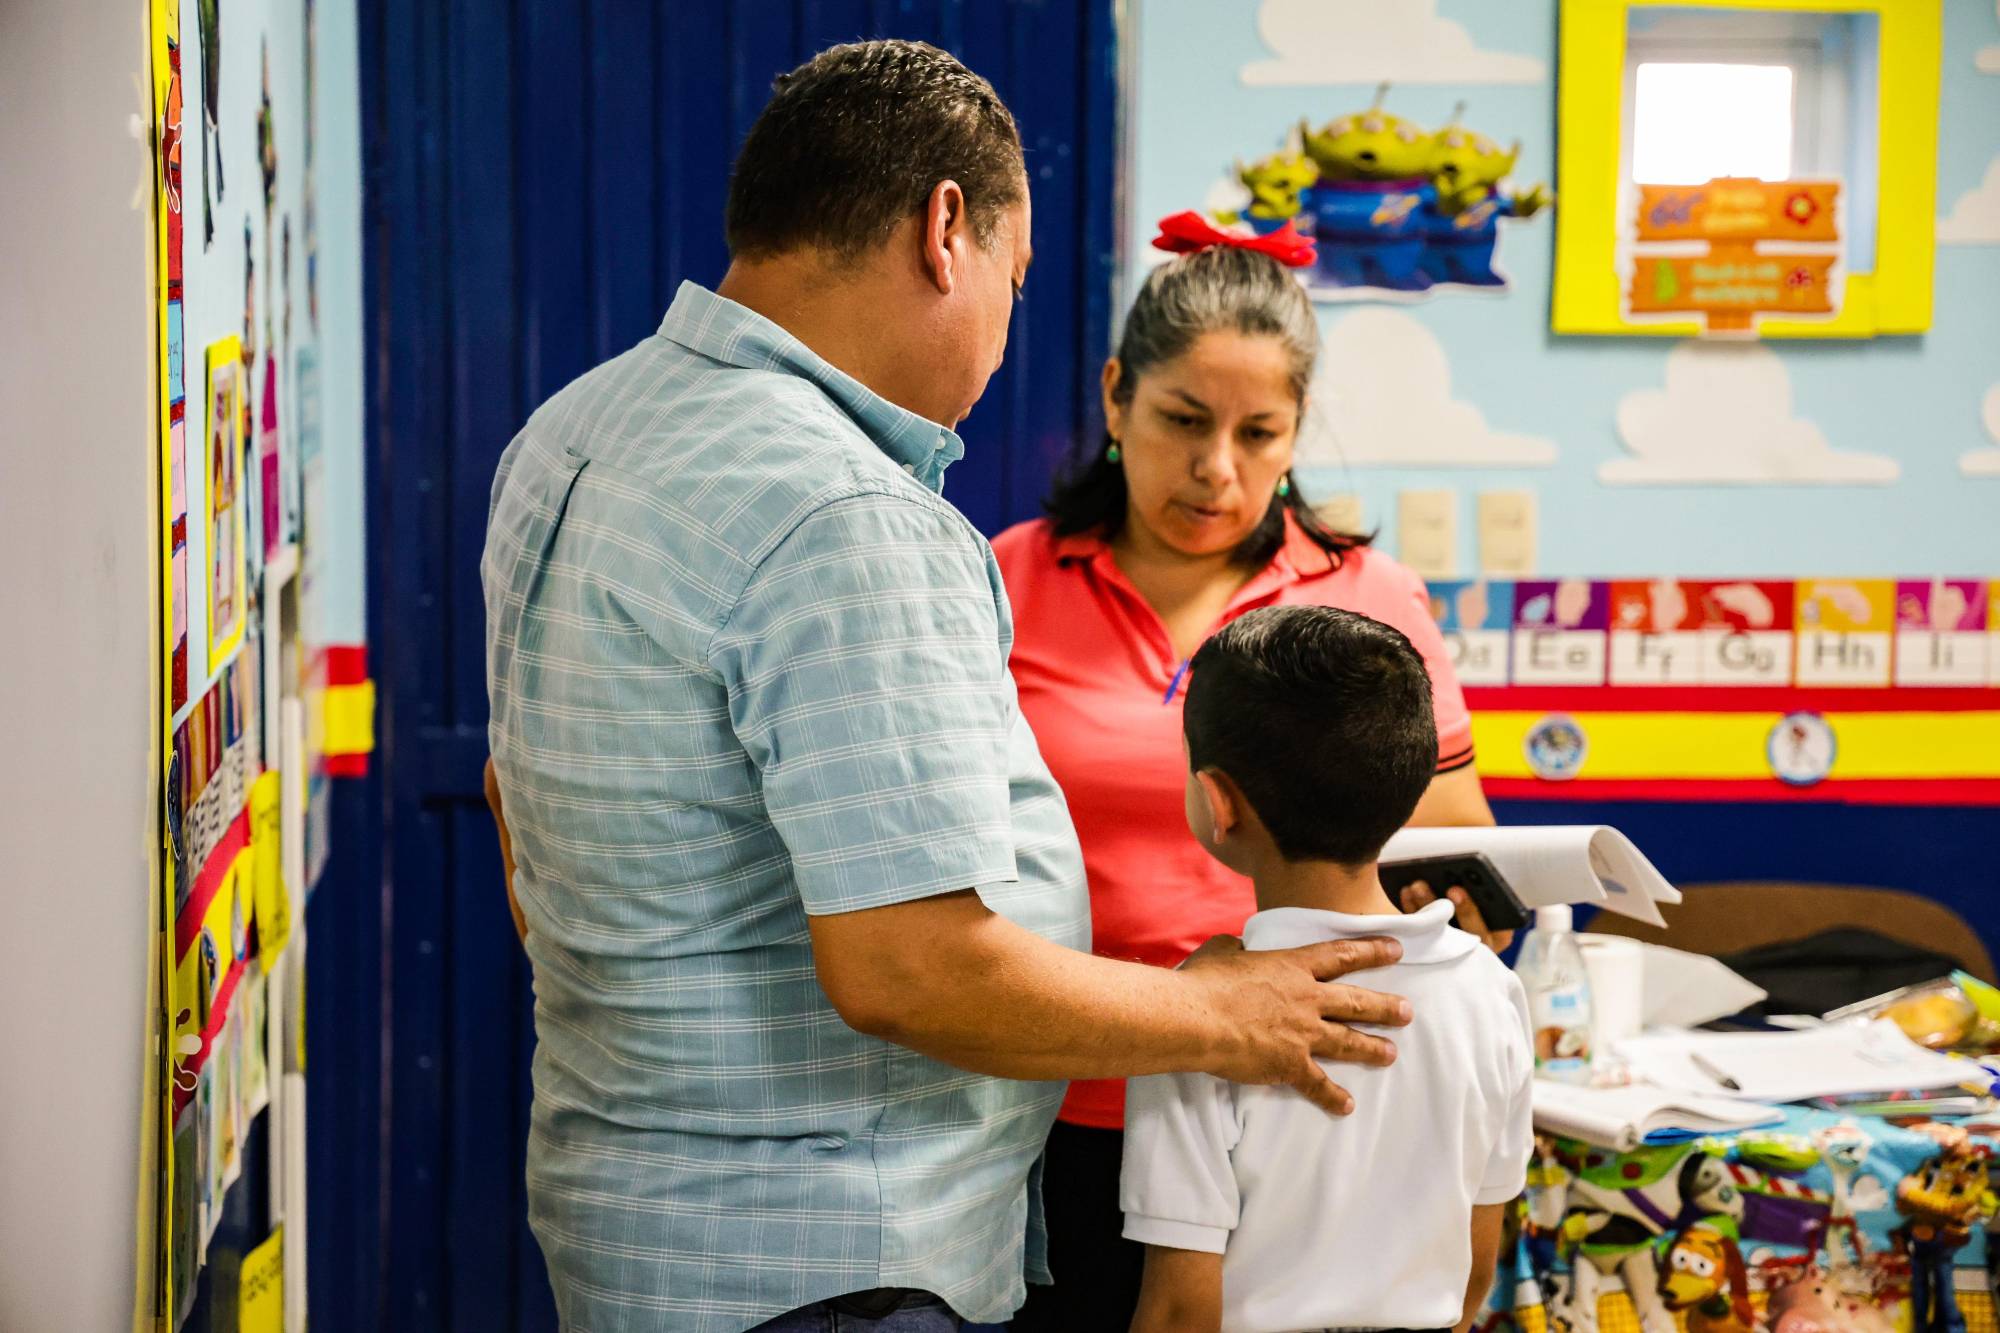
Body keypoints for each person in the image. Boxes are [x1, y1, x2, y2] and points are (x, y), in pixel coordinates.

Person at [480, 40, 1415, 1333]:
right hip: (829, 1267)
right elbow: (908, 970)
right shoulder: (847, 507)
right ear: (944, 234)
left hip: (639, 1221)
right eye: (1016, 283)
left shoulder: (571, 435)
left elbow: (518, 817)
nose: (999, 335)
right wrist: (1211, 1012)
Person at [993, 227, 1506, 1329]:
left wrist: (1464, 907)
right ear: (1117, 395)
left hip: (1299, 1100)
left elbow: (1450, 847)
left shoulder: (1370, 602)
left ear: (1293, 435)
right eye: (1182, 420)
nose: (1215, 468)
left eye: (1256, 432)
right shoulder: (1000, 582)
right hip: (1048, 1107)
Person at [1121, 605, 1533, 1333]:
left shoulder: (1192, 1017)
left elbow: (1180, 1308)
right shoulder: (1490, 986)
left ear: (1218, 802)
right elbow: (1476, 1267)